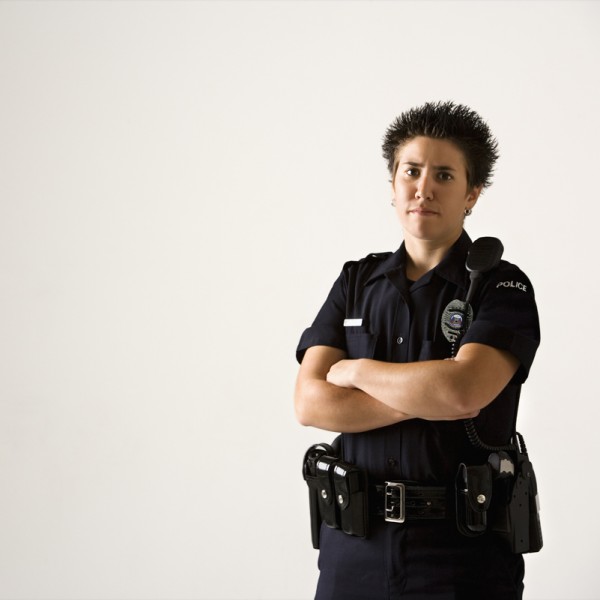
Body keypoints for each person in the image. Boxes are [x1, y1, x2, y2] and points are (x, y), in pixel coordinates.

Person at [294, 101, 540, 600]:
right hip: (352, 552)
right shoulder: (354, 281)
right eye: (412, 171)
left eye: (445, 175)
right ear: (392, 184)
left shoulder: (502, 287)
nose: (423, 188)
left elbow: (459, 394)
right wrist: (426, 395)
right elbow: (310, 403)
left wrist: (353, 368)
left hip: (461, 557)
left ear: (471, 193)